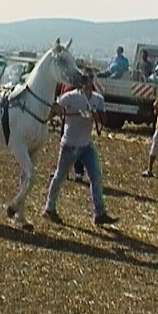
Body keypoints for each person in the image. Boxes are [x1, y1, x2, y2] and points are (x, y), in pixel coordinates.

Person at [42, 73, 118, 226]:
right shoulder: (70, 97)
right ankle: (49, 209)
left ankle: (99, 213)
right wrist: (54, 115)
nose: (86, 82)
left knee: (96, 177)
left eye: (88, 79)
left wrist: (96, 115)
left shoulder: (98, 99)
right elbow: (55, 108)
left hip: (86, 145)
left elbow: (104, 121)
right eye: (84, 79)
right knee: (59, 176)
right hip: (69, 144)